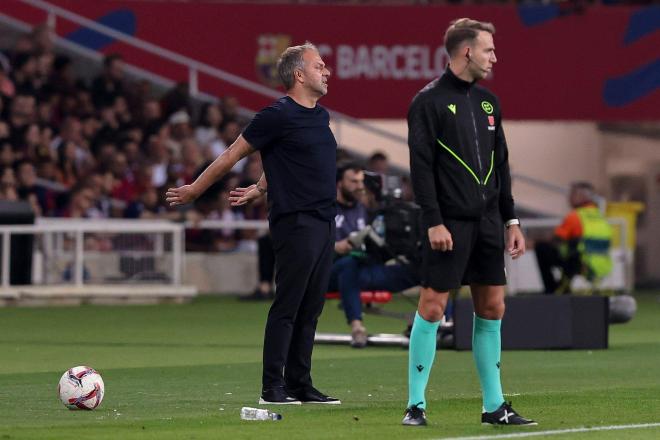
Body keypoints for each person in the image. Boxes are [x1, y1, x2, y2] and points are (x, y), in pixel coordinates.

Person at [167, 42, 340, 405]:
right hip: (296, 222)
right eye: (319, 66)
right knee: (289, 305)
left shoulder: (320, 115)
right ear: (299, 74)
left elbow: (287, 159)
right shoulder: (275, 115)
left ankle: (299, 383)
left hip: (325, 221)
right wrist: (196, 189)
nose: (326, 72)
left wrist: (261, 186)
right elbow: (233, 153)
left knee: (312, 307)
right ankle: (271, 388)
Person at [403, 18, 535, 426]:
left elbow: (503, 166)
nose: (494, 57)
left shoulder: (489, 103)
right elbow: (421, 169)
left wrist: (511, 219)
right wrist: (433, 222)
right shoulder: (427, 102)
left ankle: (494, 407)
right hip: (449, 225)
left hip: (489, 224)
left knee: (492, 307)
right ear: (466, 52)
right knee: (432, 306)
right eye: (489, 50)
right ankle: (415, 406)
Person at [329, 162, 419, 348]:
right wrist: (337, 246)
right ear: (339, 183)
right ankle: (357, 327)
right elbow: (313, 245)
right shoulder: (326, 208)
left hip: (363, 268)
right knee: (349, 264)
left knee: (417, 269)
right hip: (330, 270)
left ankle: (444, 322)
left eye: (361, 181)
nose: (359, 186)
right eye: (353, 181)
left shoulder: (365, 209)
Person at [535, 182, 612, 294]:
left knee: (542, 248)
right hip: (603, 266)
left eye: (572, 194)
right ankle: (563, 285)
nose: (569, 198)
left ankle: (552, 289)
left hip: (581, 264)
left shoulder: (575, 216)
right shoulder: (601, 217)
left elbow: (556, 240)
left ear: (580, 197)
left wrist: (535, 241)